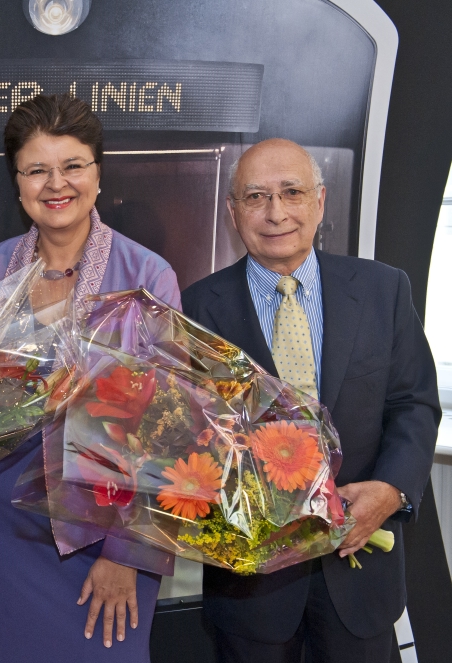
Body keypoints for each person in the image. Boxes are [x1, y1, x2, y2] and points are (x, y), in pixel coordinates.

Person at [181, 138, 440, 663]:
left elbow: (414, 403)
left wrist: (392, 490)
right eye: (255, 197)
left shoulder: (383, 290)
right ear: (233, 213)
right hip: (252, 587)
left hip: (360, 573)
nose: (275, 212)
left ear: (319, 202)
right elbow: (186, 436)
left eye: (291, 192)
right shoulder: (195, 308)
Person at [0, 93, 180, 661]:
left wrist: (126, 555)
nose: (57, 184)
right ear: (18, 182)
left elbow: (170, 432)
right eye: (37, 170)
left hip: (107, 541)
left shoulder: (148, 277)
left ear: (98, 175)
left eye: (73, 166)